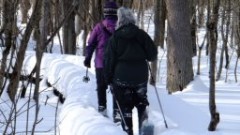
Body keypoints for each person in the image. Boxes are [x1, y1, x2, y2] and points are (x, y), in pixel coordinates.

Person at [104, 7, 158, 135]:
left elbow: (109, 60)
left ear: (120, 20)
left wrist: (108, 79)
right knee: (141, 103)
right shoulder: (142, 35)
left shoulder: (115, 38)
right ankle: (144, 127)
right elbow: (152, 55)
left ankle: (128, 130)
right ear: (132, 19)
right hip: (140, 78)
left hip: (121, 79)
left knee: (125, 107)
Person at [83, 1, 119, 120]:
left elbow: (91, 44)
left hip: (101, 63)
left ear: (105, 12)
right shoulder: (121, 27)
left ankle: (102, 110)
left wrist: (87, 59)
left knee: (101, 87)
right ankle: (117, 113)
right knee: (116, 89)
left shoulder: (99, 27)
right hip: (117, 65)